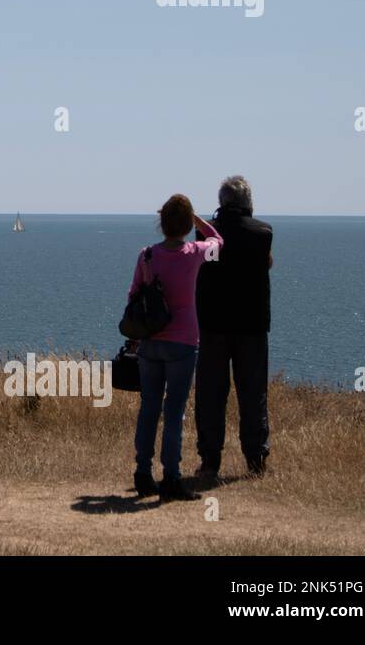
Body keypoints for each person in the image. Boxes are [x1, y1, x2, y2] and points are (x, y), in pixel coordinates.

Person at [130, 194, 223, 501]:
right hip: (183, 342)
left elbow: (133, 296)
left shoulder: (146, 256)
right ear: (186, 224)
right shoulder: (195, 253)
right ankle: (171, 477)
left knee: (149, 410)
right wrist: (199, 221)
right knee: (174, 414)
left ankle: (143, 473)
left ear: (161, 223)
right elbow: (218, 242)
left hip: (150, 343)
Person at [194, 175, 274, 481]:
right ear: (247, 203)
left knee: (211, 394)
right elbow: (264, 262)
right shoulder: (263, 233)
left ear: (221, 202)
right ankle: (256, 459)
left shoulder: (204, 235)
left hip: (213, 324)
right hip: (251, 325)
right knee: (253, 393)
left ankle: (210, 460)